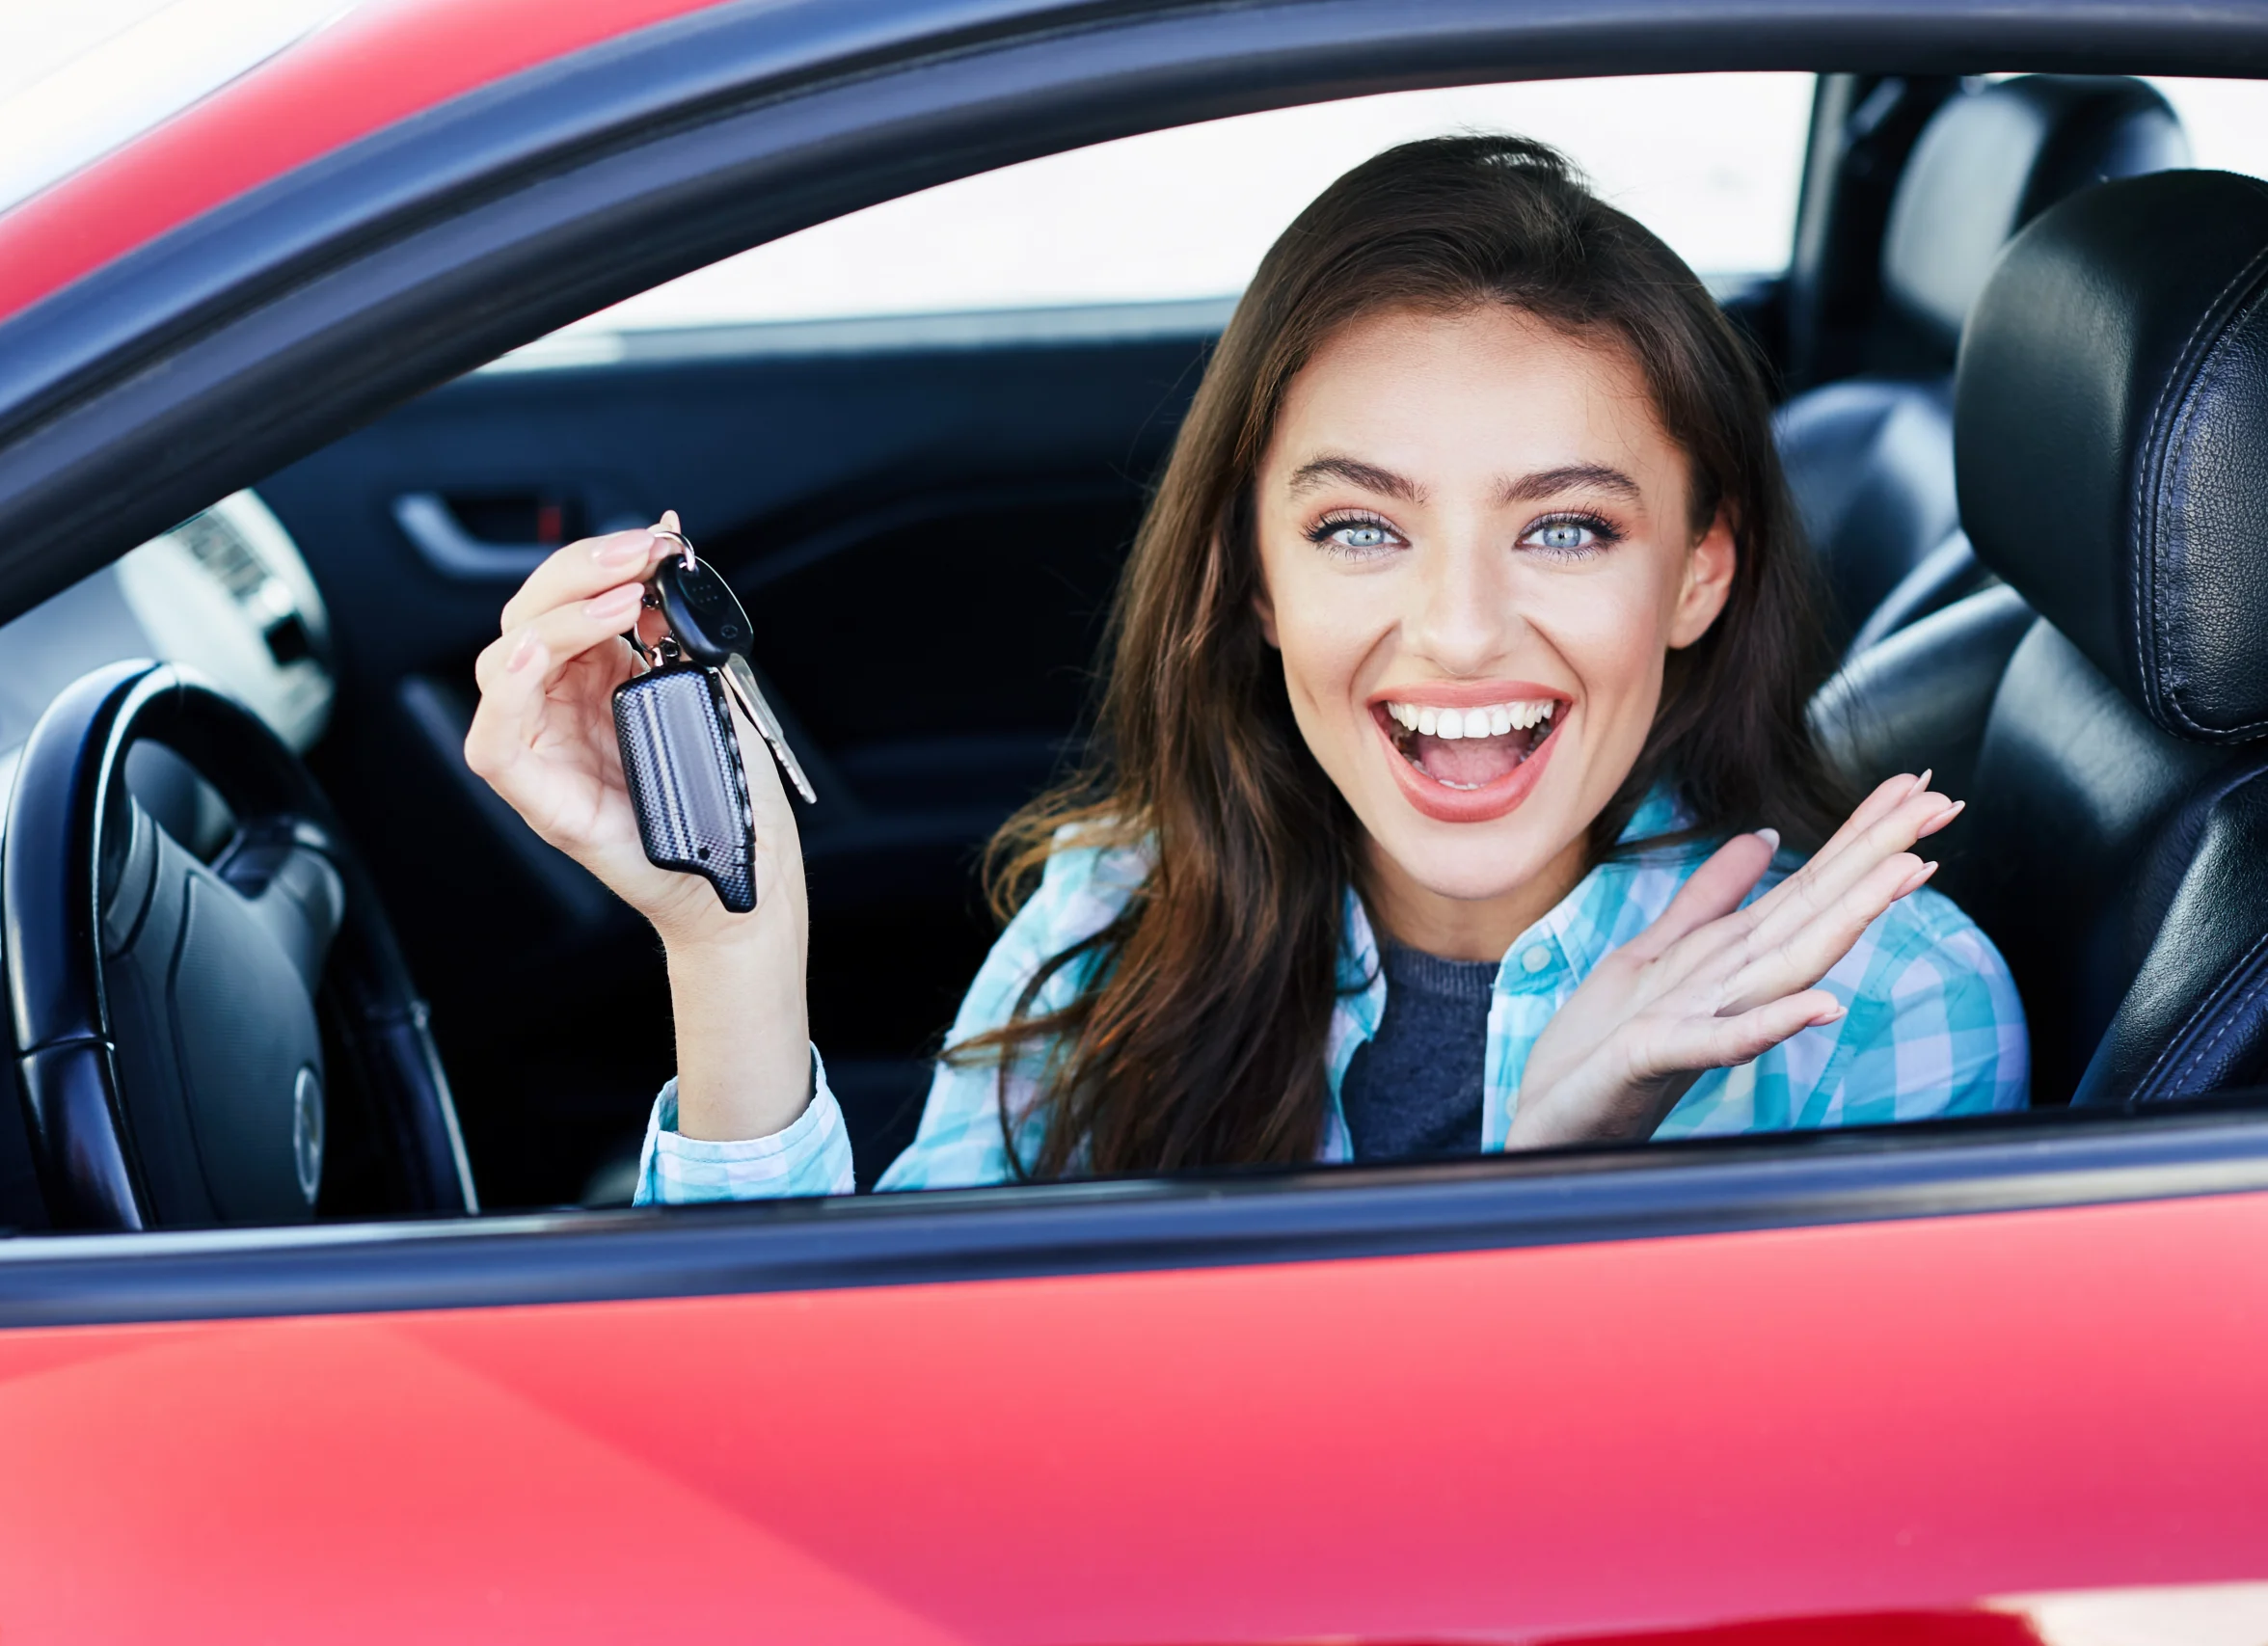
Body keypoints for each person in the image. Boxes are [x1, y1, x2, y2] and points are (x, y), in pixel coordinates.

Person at [465, 135, 2028, 1202]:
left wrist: (1556, 1170)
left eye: (1564, 531)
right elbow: (824, 1444)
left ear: (1701, 571)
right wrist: (730, 945)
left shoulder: (1880, 1012)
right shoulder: (1116, 923)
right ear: (1254, 582)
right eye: (1361, 528)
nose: (1464, 629)